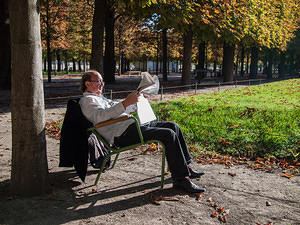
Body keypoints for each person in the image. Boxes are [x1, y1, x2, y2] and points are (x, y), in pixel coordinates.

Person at [79, 70, 206, 193]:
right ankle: (181, 179)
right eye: (98, 81)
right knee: (168, 134)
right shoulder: (87, 100)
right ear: (87, 83)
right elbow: (99, 117)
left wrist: (135, 103)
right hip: (122, 135)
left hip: (129, 126)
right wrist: (125, 103)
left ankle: (187, 167)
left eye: (102, 81)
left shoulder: (100, 98)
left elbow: (119, 110)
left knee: (173, 126)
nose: (101, 84)